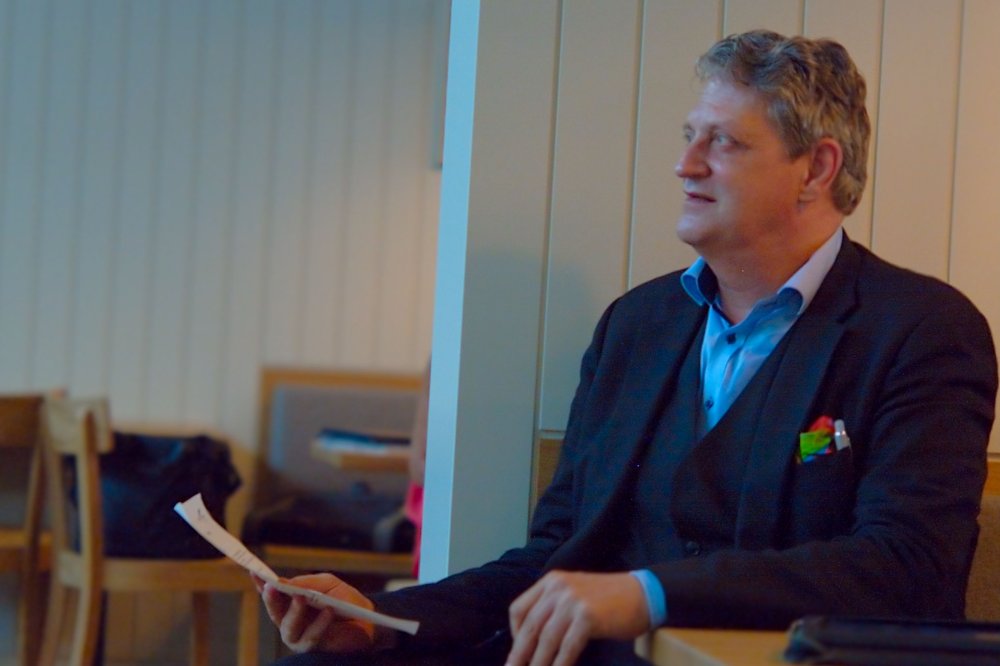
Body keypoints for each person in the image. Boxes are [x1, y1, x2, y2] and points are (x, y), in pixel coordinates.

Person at [255, 30, 998, 666]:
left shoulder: (922, 330)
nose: (686, 164)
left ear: (817, 168)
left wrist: (650, 593)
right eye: (689, 136)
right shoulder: (636, 325)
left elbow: (908, 566)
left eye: (723, 142)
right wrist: (381, 619)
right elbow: (552, 559)